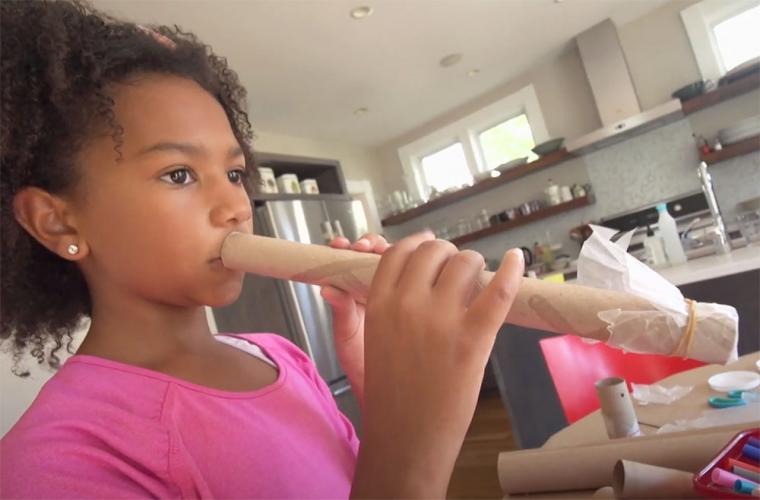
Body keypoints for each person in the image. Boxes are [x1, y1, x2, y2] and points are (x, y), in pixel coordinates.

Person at [0, 1, 524, 498]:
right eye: (179, 174)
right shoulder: (54, 463)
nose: (234, 204)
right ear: (56, 221)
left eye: (233, 172)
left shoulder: (280, 355)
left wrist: (383, 388)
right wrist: (412, 455)